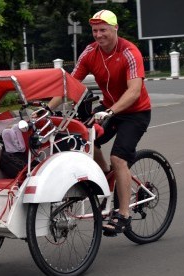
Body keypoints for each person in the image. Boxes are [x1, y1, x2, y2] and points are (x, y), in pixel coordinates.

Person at [48, 9, 151, 236]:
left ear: (115, 28)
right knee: (84, 138)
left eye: (103, 29)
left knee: (119, 158)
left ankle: (123, 214)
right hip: (109, 109)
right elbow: (70, 84)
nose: (98, 35)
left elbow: (134, 92)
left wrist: (111, 111)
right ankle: (106, 176)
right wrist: (47, 108)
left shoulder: (130, 52)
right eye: (95, 30)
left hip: (135, 113)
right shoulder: (90, 52)